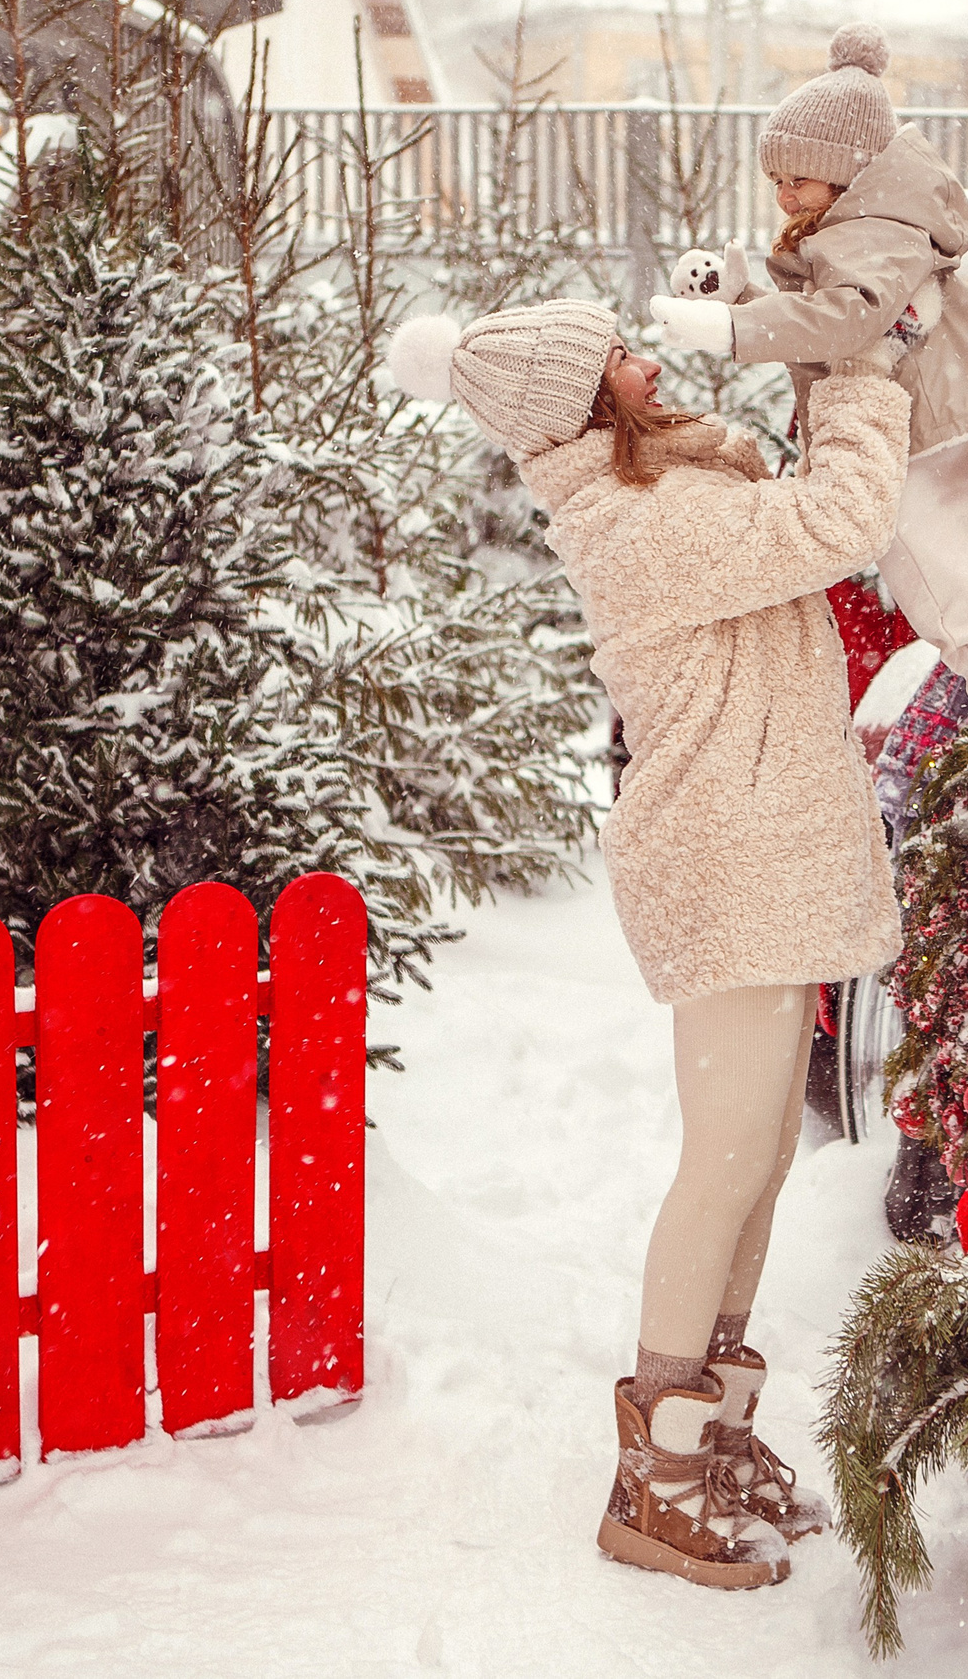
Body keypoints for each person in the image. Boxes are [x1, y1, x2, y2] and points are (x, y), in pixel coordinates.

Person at [386, 299, 912, 1590]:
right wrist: (858, 382)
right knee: (723, 1162)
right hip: (724, 857)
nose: (648, 357)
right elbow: (837, 519)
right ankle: (656, 1473)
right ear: (583, 401)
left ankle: (714, 1433)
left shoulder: (670, 488)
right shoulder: (643, 519)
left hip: (761, 846)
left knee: (760, 1163)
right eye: (618, 352)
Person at [649, 22, 968, 824]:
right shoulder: (878, 223)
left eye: (798, 178)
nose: (785, 196)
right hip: (934, 423)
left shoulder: (872, 231)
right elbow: (838, 321)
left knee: (937, 595)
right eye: (778, 181)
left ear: (847, 169)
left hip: (909, 433)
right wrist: (746, 301)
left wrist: (732, 332)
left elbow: (846, 321)